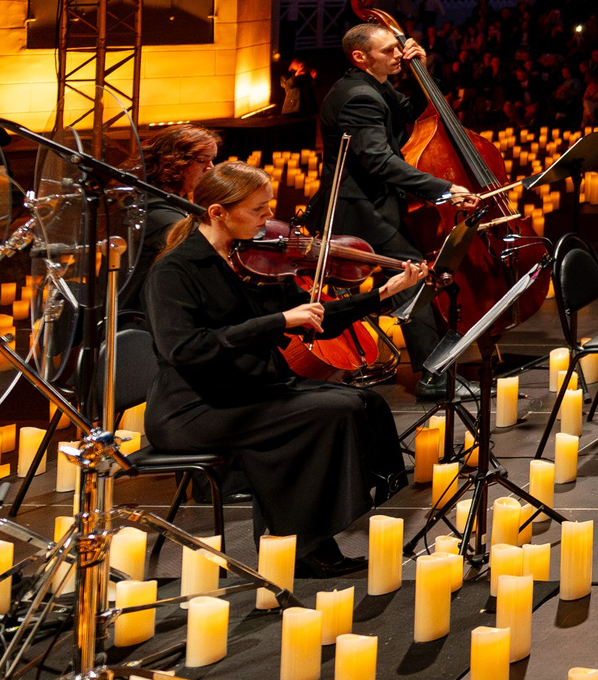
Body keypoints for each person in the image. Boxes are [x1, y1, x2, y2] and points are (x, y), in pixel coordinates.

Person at [145, 162, 428, 577]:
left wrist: (380, 295)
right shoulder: (175, 270)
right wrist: (279, 322)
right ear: (218, 212)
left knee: (363, 402)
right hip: (195, 407)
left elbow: (313, 317)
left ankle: (304, 536)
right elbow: (186, 349)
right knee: (329, 412)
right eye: (259, 210)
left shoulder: (250, 260)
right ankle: (303, 548)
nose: (268, 219)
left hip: (250, 388)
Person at [319, 21, 477, 385]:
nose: (399, 55)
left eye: (398, 47)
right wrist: (444, 189)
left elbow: (409, 112)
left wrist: (425, 73)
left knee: (415, 276)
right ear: (360, 56)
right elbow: (379, 161)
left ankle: (434, 369)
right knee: (414, 277)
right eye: (388, 50)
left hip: (374, 204)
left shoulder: (373, 85)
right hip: (359, 210)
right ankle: (432, 378)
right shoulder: (359, 96)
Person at [117, 124, 219, 325]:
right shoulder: (155, 212)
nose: (211, 168)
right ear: (172, 162)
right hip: (135, 326)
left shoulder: (165, 203)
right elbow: (202, 249)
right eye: (202, 160)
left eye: (212, 160)